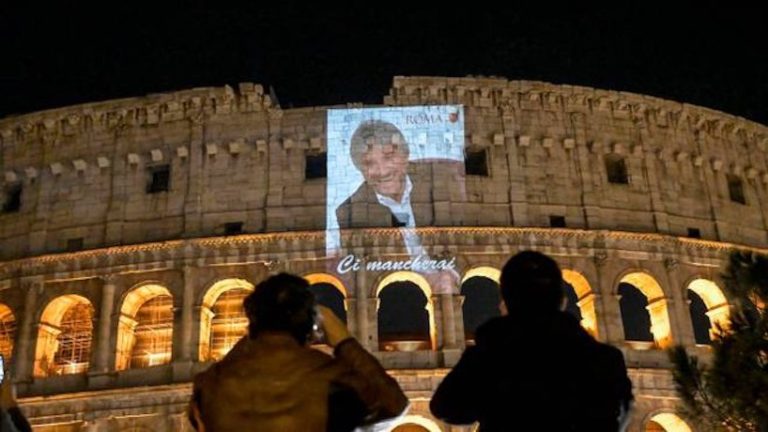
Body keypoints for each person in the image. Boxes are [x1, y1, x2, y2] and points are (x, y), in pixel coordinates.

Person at [430, 251, 634, 431]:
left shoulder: (489, 357)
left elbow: (445, 407)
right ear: (561, 300)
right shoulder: (606, 360)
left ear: (506, 303)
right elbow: (621, 417)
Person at [189, 273, 408, 432]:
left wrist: (254, 333)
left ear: (253, 321)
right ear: (311, 325)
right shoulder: (331, 376)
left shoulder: (209, 385)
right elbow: (393, 403)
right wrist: (344, 342)